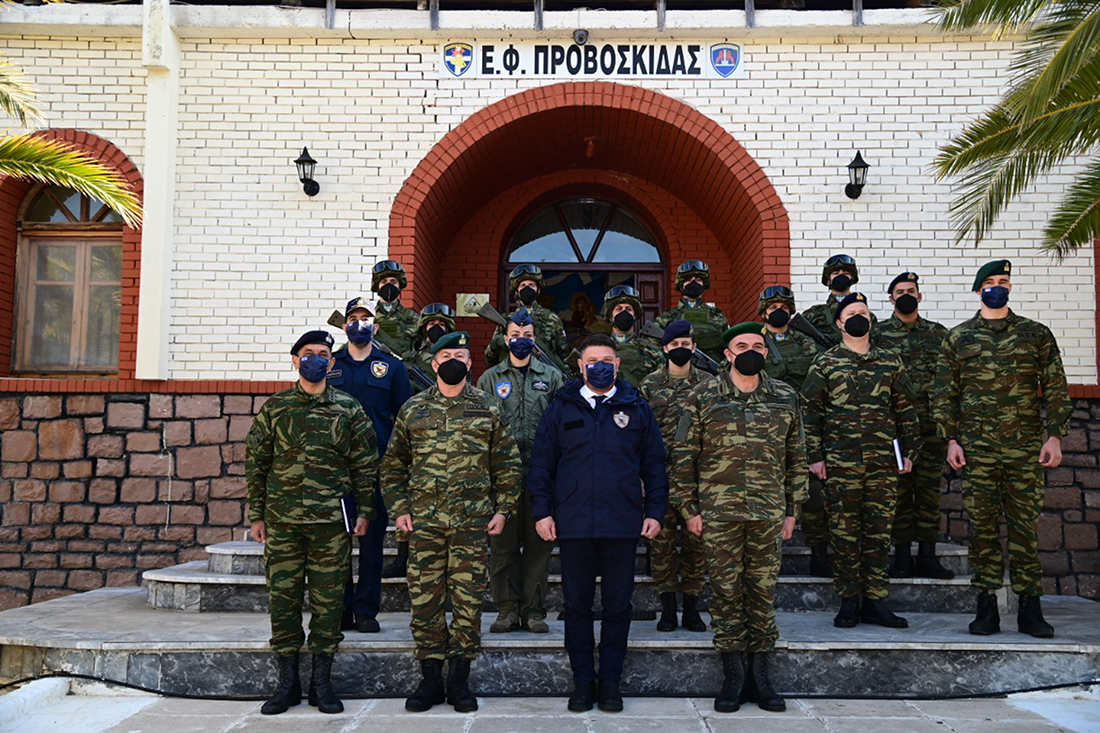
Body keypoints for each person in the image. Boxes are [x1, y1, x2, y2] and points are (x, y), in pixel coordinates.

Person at [381, 331, 523, 713]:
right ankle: (429, 681)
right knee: (425, 601)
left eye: (460, 354)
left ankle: (459, 682)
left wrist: (503, 509)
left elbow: (507, 464)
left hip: (471, 524)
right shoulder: (412, 409)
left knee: (467, 601)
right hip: (423, 525)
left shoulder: (488, 408)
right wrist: (399, 508)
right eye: (446, 355)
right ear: (434, 363)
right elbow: (393, 466)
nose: (453, 360)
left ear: (470, 363)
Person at [671, 322, 807, 714]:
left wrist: (792, 510)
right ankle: (733, 676)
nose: (750, 350)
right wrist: (689, 509)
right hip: (718, 513)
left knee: (762, 593)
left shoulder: (785, 396)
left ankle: (760, 677)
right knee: (727, 593)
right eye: (741, 345)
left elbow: (797, 457)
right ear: (727, 354)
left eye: (758, 345)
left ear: (766, 353)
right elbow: (683, 457)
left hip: (767, 512)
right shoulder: (702, 396)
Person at [528, 333, 667, 714]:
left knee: (618, 608)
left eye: (607, 359)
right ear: (580, 365)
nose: (600, 366)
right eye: (593, 360)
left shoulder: (636, 406)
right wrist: (542, 512)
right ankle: (583, 683)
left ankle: (610, 683)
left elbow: (654, 463)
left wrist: (655, 511)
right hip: (573, 524)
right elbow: (542, 464)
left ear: (618, 364)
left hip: (622, 524)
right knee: (576, 607)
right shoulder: (562, 406)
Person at [934, 260, 1070, 638]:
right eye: (990, 282)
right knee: (983, 530)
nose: (997, 287)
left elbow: (1056, 387)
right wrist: (951, 439)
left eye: (1004, 281)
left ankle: (1030, 608)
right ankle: (987, 606)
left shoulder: (1034, 334)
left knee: (1026, 529)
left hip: (1025, 448)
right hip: (977, 450)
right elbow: (945, 394)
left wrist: (1055, 435)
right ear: (978, 290)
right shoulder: (959, 338)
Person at [246, 329, 379, 716]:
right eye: (308, 353)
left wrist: (366, 512)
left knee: (329, 603)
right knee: (283, 601)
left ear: (332, 363)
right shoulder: (276, 408)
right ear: (295, 360)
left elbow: (364, 465)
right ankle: (287, 683)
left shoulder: (349, 409)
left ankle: (322, 683)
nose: (316, 359)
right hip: (283, 520)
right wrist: (257, 513)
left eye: (323, 353)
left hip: (330, 524)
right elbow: (257, 462)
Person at [801, 293, 920, 629]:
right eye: (851, 313)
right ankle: (849, 601)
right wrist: (814, 457)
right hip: (841, 463)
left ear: (871, 321)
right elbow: (809, 413)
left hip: (883, 463)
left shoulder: (890, 362)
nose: (858, 317)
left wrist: (909, 452)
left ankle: (875, 601)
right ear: (839, 323)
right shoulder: (825, 364)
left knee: (879, 534)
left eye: (863, 313)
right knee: (844, 534)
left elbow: (906, 409)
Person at [477, 307, 565, 634]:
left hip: (541, 475)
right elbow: (480, 428)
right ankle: (507, 609)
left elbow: (562, 428)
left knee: (539, 547)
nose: (521, 341)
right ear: (505, 338)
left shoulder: (552, 377)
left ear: (535, 339)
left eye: (527, 336)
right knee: (503, 547)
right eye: (515, 336)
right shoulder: (489, 379)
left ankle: (534, 611)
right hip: (502, 477)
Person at [328, 298, 412, 634]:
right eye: (353, 318)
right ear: (345, 324)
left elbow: (404, 418)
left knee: (372, 543)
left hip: (376, 465)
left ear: (376, 327)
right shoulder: (331, 364)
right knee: (335, 544)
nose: (359, 323)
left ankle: (366, 610)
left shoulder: (392, 368)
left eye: (366, 319)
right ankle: (340, 609)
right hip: (336, 466)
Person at [873, 273, 954, 580]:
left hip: (931, 427)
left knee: (929, 492)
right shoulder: (878, 334)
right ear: (891, 299)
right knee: (900, 493)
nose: (905, 295)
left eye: (911, 291)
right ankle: (902, 557)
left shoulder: (938, 334)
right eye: (899, 292)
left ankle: (929, 557)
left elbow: (948, 381)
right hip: (895, 428)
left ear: (920, 296)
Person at [638, 320, 713, 633]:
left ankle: (693, 608)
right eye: (674, 345)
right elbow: (638, 434)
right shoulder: (649, 385)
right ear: (664, 348)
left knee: (697, 544)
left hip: (699, 477)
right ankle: (668, 608)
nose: (680, 349)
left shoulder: (710, 383)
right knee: (662, 544)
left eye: (686, 344)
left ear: (694, 347)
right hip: (660, 477)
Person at [757, 284, 832, 577]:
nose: (779, 312)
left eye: (784, 308)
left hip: (803, 423)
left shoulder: (806, 342)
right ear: (763, 312)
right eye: (773, 308)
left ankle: (819, 551)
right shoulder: (755, 343)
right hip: (766, 425)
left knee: (813, 491)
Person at [485, 264, 570, 367]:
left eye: (531, 285)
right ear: (516, 291)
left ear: (538, 289)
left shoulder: (551, 319)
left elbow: (563, 355)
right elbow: (489, 359)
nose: (527, 289)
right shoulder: (506, 320)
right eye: (523, 285)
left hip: (543, 376)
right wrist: (495, 345)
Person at [655, 260, 729, 358]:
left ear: (704, 284)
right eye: (688, 280)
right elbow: (653, 348)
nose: (693, 282)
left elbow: (729, 347)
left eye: (698, 279)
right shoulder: (667, 317)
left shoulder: (717, 316)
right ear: (681, 285)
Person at [802, 254, 878, 343]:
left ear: (852, 279)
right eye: (836, 273)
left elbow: (874, 342)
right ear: (828, 280)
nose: (841, 275)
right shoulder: (814, 314)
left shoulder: (867, 315)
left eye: (846, 273)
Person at [602, 284, 662, 387]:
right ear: (610, 316)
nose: (624, 312)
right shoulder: (598, 349)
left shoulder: (651, 350)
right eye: (619, 309)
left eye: (628, 309)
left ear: (635, 315)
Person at [371, 259, 419, 359]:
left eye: (393, 282)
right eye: (384, 282)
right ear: (377, 286)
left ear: (399, 286)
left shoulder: (413, 317)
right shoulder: (369, 317)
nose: (388, 285)